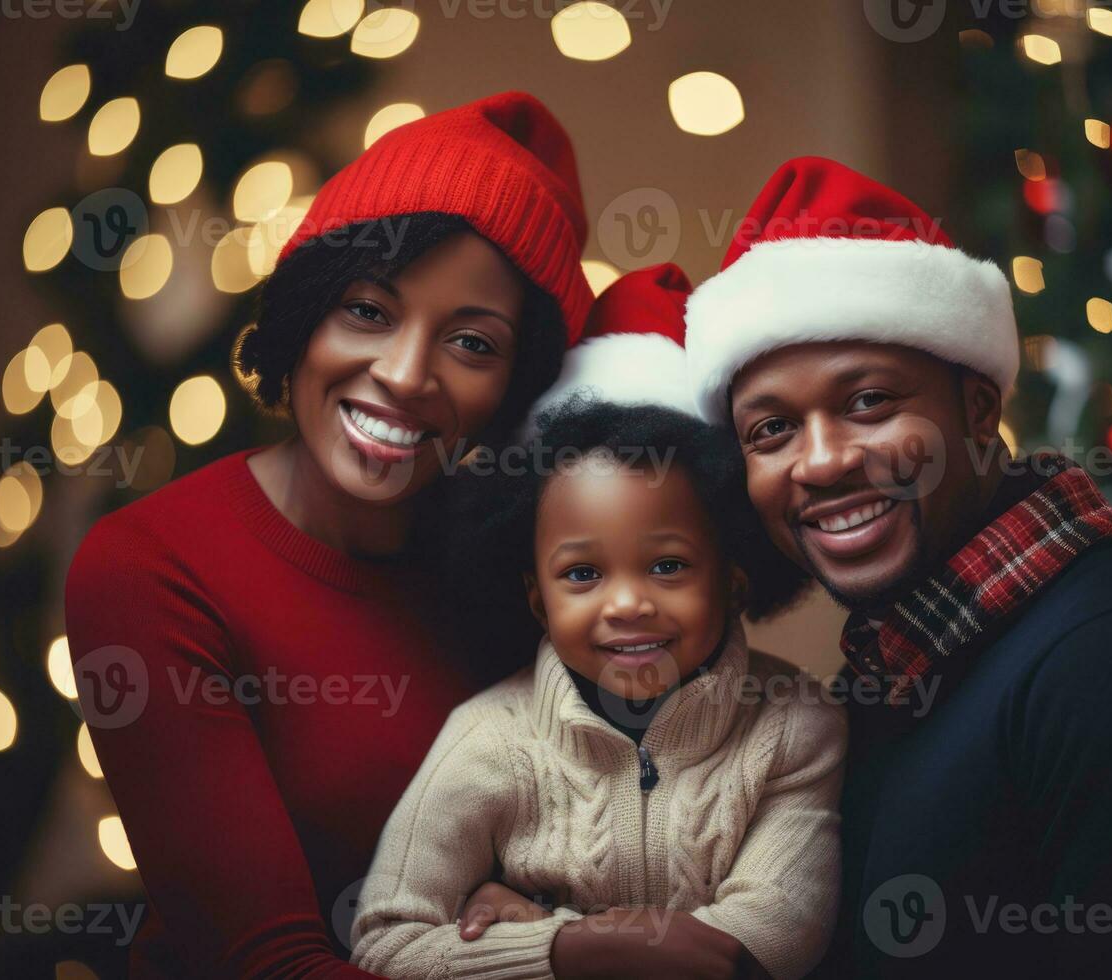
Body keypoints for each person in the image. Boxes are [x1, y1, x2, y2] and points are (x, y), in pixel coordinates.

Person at [682, 156, 1112, 977]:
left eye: (867, 403)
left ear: (979, 408)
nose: (818, 463)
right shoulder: (878, 681)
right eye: (770, 431)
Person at [63, 91, 594, 978]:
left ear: (516, 388)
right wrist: (556, 956)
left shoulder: (528, 575)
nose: (403, 373)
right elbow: (269, 963)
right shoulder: (150, 568)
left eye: (471, 344)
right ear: (304, 314)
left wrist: (538, 917)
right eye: (368, 312)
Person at [349, 265, 846, 980]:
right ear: (535, 598)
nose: (625, 604)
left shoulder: (793, 726)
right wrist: (564, 948)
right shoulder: (488, 739)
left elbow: (771, 936)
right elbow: (387, 941)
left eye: (668, 566)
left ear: (734, 582)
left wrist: (563, 935)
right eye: (582, 575)